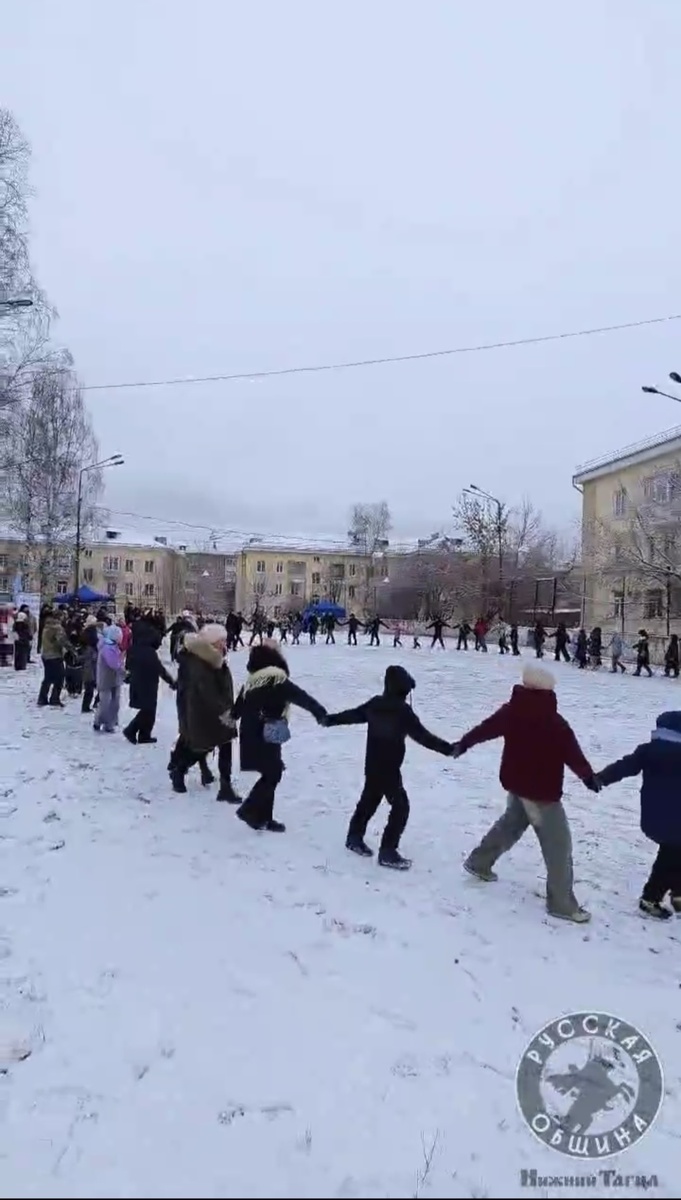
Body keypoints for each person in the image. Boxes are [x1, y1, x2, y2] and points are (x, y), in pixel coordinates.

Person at [452, 663, 599, 923]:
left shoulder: (511, 711)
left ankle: (479, 862)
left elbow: (485, 729)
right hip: (542, 794)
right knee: (558, 845)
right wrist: (588, 777)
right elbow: (573, 754)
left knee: (511, 824)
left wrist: (464, 743)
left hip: (517, 785)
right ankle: (561, 903)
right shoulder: (555, 722)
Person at [324, 665, 455, 870]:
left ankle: (354, 837)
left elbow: (353, 715)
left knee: (369, 800)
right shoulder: (403, 711)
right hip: (390, 768)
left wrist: (330, 719)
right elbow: (423, 737)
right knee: (400, 807)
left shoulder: (375, 704)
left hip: (372, 764)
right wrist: (448, 749)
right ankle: (388, 851)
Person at [233, 641, 327, 832]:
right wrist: (321, 713)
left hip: (251, 731)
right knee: (273, 773)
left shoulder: (251, 682)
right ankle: (249, 809)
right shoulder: (277, 679)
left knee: (271, 772)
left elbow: (236, 711)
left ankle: (263, 818)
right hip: (269, 732)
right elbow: (302, 697)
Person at [597, 711, 681, 919]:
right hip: (676, 823)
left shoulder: (648, 750)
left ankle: (678, 894)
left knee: (674, 854)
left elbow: (624, 766)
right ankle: (650, 899)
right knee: (670, 858)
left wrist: (601, 778)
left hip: (653, 818)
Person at [169, 623, 240, 800]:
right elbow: (206, 692)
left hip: (217, 710)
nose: (225, 644)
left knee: (222, 745)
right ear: (212, 642)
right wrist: (225, 711)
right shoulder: (200, 662)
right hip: (206, 712)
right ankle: (179, 771)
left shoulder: (211, 657)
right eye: (221, 641)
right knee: (200, 747)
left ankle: (225, 787)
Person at [123, 618, 176, 744]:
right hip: (148, 684)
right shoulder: (150, 652)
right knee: (148, 710)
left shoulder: (134, 649)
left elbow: (128, 665)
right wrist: (171, 681)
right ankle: (132, 730)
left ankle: (144, 735)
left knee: (148, 710)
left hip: (137, 682)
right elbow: (159, 669)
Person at [93, 624, 126, 732]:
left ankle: (109, 724)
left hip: (115, 679)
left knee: (115, 703)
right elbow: (114, 664)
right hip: (105, 679)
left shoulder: (114, 646)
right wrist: (123, 671)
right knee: (105, 703)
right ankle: (98, 721)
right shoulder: (107, 648)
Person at [37, 610, 68, 707]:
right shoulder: (57, 627)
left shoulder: (47, 625)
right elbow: (61, 641)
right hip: (55, 655)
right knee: (60, 678)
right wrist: (69, 649)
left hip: (46, 655)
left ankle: (42, 698)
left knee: (48, 678)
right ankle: (55, 698)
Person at [81, 615, 99, 712]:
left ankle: (86, 706)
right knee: (90, 687)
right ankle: (86, 707)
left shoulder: (85, 632)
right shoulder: (92, 632)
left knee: (89, 687)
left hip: (89, 666)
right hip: (90, 667)